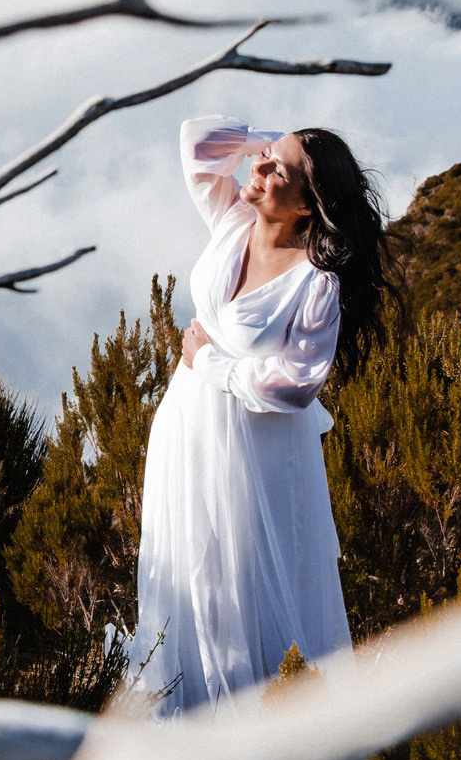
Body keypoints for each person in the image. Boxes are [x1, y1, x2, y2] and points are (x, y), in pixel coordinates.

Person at [128, 115, 395, 713]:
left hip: (256, 450)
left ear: (307, 207)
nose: (260, 168)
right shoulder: (233, 220)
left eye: (281, 172)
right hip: (187, 431)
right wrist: (279, 146)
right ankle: (187, 718)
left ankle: (262, 738)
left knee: (243, 581)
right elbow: (197, 142)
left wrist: (209, 362)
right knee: (187, 568)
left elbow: (294, 386)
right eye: (264, 159)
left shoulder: (316, 282)